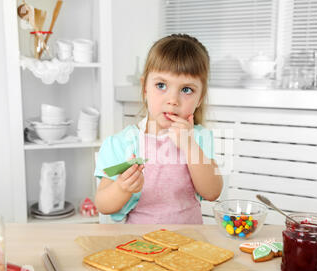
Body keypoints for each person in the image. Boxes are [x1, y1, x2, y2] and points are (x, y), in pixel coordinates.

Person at [94, 34, 223, 224]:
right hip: (140, 244)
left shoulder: (200, 138)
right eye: (161, 85)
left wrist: (189, 146)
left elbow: (212, 192)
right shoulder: (122, 144)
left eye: (186, 90)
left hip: (189, 243)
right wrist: (122, 188)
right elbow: (103, 205)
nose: (173, 100)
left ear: (200, 98)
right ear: (145, 88)